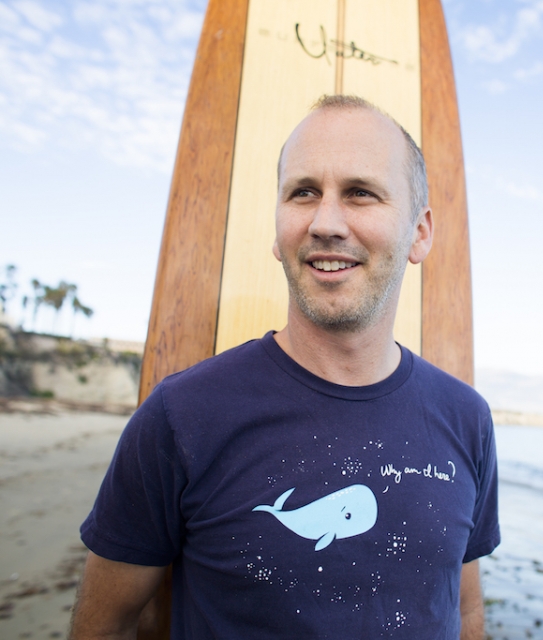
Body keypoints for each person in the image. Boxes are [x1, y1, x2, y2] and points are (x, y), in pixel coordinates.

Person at [70, 95, 500, 639]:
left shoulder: (467, 419)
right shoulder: (182, 417)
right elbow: (104, 627)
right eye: (303, 193)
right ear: (277, 231)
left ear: (420, 233)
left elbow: (463, 612)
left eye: (360, 193)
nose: (325, 222)